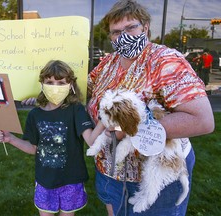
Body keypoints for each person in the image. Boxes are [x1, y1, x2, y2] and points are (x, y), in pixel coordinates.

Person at [85, 0, 215, 215]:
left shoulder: (166, 61)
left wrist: (130, 127)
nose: (123, 36)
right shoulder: (109, 63)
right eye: (116, 32)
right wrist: (45, 96)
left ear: (145, 27)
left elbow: (202, 119)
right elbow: (84, 91)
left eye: (131, 27)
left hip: (156, 174)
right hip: (110, 171)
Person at [0, 60, 104, 216]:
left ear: (71, 86)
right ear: (42, 84)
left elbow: (91, 141)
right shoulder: (35, 115)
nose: (55, 87)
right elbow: (33, 148)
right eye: (50, 82)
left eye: (61, 83)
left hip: (71, 181)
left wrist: (103, 120)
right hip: (45, 181)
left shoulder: (77, 110)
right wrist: (11, 139)